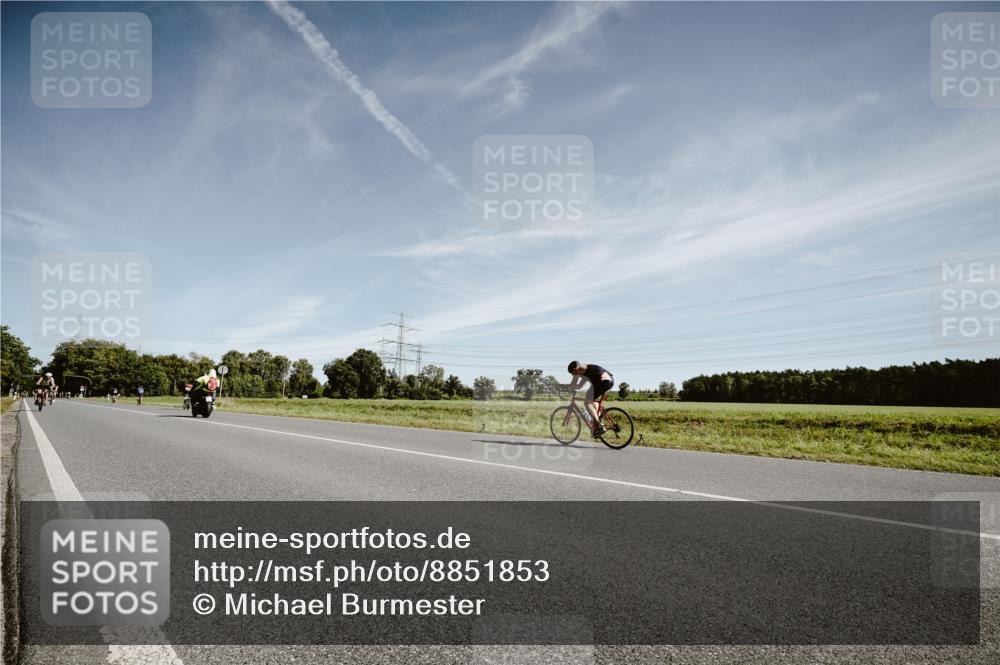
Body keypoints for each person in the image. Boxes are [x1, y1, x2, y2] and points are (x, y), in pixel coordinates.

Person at [565, 361, 614, 437]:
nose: (573, 375)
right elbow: (578, 386)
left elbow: (574, 381)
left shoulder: (580, 369)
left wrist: (563, 387)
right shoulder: (585, 373)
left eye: (572, 373)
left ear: (574, 369)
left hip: (602, 381)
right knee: (592, 400)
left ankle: (600, 426)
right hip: (609, 380)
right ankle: (599, 419)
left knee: (587, 402)